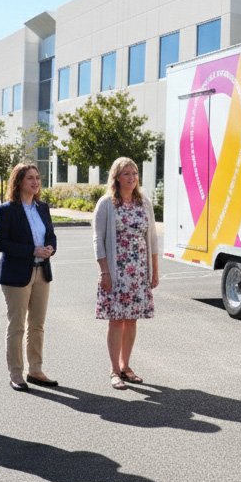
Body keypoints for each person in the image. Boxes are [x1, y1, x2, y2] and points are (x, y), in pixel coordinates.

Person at [93, 157, 159, 390]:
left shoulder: (144, 203)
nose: (132, 178)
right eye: (126, 174)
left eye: (135, 173)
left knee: (131, 320)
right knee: (116, 320)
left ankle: (126, 366)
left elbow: (151, 239)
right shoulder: (107, 204)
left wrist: (154, 272)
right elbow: (98, 240)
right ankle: (114, 370)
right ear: (116, 177)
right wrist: (104, 272)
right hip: (115, 270)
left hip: (139, 272)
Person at [0, 163, 57, 391]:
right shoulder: (8, 209)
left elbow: (51, 235)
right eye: (30, 177)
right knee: (17, 326)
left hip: (42, 271)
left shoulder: (42, 208)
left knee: (37, 325)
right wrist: (31, 250)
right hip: (16, 274)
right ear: (19, 181)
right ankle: (16, 374)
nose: (35, 182)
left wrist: (50, 248)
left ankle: (36, 370)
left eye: (38, 177)